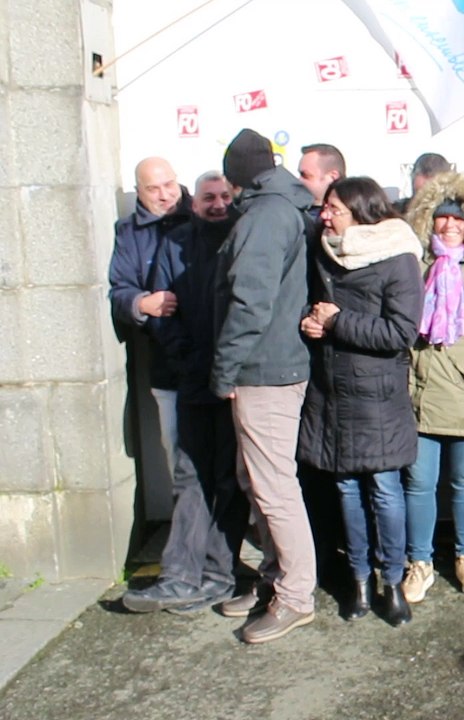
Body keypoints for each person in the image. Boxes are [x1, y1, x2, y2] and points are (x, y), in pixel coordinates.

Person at [297, 177, 424, 626]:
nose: (325, 216)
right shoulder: (323, 251)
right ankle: (359, 581)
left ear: (362, 213)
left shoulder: (398, 255)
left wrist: (337, 322)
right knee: (346, 489)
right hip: (330, 390)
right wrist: (309, 322)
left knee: (385, 490)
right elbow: (311, 305)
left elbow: (401, 332)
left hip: (377, 397)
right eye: (326, 208)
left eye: (335, 209)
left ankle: (393, 583)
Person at [122, 171, 246, 614]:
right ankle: (179, 576)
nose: (218, 203)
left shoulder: (243, 238)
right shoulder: (175, 243)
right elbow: (163, 313)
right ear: (194, 203)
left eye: (225, 195)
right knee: (191, 477)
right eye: (209, 197)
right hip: (193, 380)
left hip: (237, 385)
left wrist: (231, 369)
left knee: (230, 481)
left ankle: (218, 574)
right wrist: (191, 363)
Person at [211, 128, 316, 644]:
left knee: (273, 487)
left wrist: (225, 369)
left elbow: (250, 302)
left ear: (237, 179)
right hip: (267, 366)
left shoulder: (265, 214)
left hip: (264, 369)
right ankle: (276, 581)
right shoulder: (277, 206)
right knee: (258, 481)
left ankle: (296, 596)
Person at [400, 171, 464, 603]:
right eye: (442, 217)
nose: (450, 225)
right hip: (421, 384)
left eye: (459, 219)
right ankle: (419, 561)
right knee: (419, 481)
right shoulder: (413, 266)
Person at [108, 157, 192, 507]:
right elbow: (119, 290)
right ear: (138, 192)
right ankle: (185, 520)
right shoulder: (130, 232)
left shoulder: (202, 215)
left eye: (169, 185)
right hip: (165, 359)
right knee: (174, 443)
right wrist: (142, 303)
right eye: (153, 189)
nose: (164, 195)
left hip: (210, 354)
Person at [298, 143, 346, 219]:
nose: (299, 180)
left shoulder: (352, 219)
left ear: (333, 177)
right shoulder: (295, 211)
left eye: (305, 176)